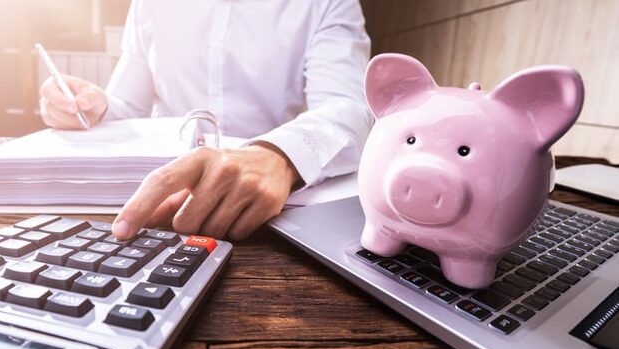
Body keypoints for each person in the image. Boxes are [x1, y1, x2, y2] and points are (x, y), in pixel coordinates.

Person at [39, 0, 373, 241]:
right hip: (152, 206)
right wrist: (90, 107)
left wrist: (280, 155)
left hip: (263, 212)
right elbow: (127, 106)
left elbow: (349, 108)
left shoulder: (327, 4)